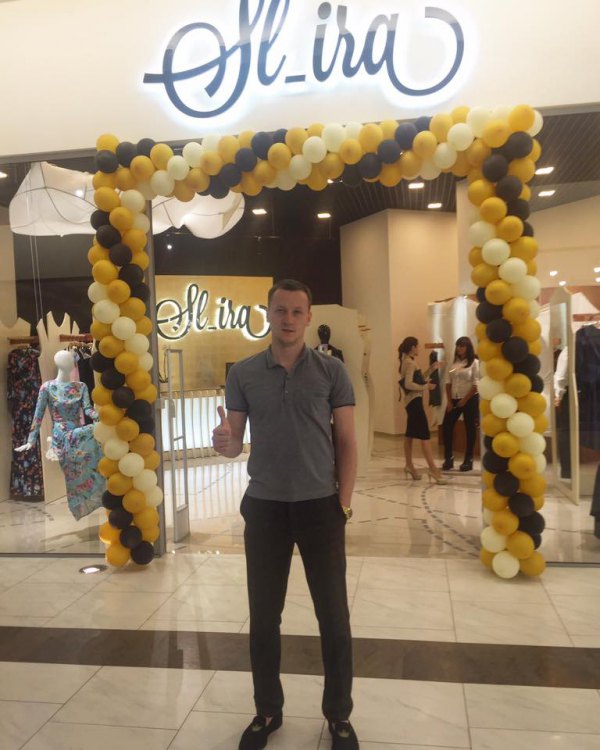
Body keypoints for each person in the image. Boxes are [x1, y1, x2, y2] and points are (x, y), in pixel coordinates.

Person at [212, 279, 359, 750]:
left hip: (320, 508)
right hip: (265, 508)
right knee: (263, 618)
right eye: (281, 310)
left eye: (297, 311)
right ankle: (267, 711)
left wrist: (343, 504)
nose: (289, 319)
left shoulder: (332, 371)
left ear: (309, 317)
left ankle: (339, 715)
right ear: (269, 314)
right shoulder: (244, 373)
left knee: (333, 617)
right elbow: (234, 443)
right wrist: (224, 442)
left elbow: (347, 442)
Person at [16, 349, 103, 519]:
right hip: (61, 435)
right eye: (66, 360)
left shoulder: (81, 386)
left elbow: (87, 410)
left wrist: (100, 416)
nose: (70, 362)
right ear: (59, 363)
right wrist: (31, 440)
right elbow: (38, 414)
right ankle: (79, 503)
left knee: (90, 465)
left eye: (70, 360)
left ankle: (95, 494)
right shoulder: (47, 387)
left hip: (78, 433)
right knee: (72, 475)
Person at [398, 337, 447, 484]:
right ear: (412, 347)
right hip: (414, 402)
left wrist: (431, 369)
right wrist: (427, 387)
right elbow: (409, 384)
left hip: (412, 402)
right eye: (417, 346)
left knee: (409, 434)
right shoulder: (409, 362)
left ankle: (409, 466)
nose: (419, 348)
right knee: (425, 435)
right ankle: (432, 469)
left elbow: (417, 380)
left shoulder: (408, 361)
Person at [441, 337, 480, 472]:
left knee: (470, 429)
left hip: (470, 399)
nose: (459, 348)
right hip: (454, 399)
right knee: (447, 426)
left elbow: (476, 384)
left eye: (462, 346)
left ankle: (468, 460)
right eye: (458, 346)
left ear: (468, 348)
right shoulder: (453, 364)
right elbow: (448, 382)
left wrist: (465, 400)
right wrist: (449, 401)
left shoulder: (474, 363)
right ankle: (448, 458)